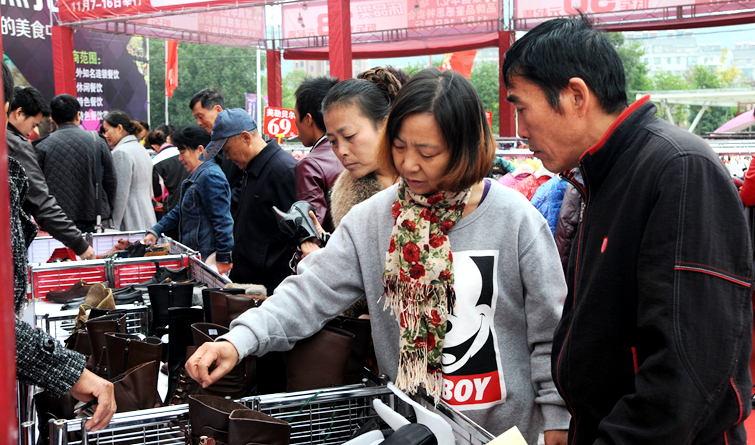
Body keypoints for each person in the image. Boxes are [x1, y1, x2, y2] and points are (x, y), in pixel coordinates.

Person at [185, 69, 570, 443]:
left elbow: (551, 333)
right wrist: (238, 340)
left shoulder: (515, 219)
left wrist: (557, 418)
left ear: (466, 146)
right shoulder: (372, 220)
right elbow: (309, 293)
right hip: (415, 431)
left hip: (506, 433)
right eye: (400, 147)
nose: (409, 164)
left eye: (427, 152)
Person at [502, 16, 752, 444]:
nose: (521, 132)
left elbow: (688, 368)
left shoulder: (678, 168)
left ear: (576, 96)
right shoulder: (601, 174)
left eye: (522, 108)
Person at [2, 62, 116, 432]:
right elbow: (108, 184)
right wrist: (85, 240)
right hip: (80, 227)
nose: (32, 132)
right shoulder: (94, 142)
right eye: (31, 125)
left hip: (61, 231)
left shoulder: (40, 146)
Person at [299, 67, 405, 263]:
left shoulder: (428, 182)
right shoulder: (344, 196)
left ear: (385, 125)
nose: (341, 151)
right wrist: (326, 249)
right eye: (332, 141)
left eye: (349, 136)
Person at [198, 108, 296, 293]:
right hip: (249, 285)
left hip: (270, 290)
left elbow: (297, 241)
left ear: (245, 138)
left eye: (227, 150)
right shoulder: (251, 169)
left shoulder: (284, 171)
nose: (228, 157)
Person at [7, 87, 96, 259]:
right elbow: (40, 202)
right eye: (33, 125)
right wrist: (79, 244)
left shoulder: (31, 144)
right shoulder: (15, 144)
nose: (30, 132)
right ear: (18, 113)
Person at [143, 126, 233, 275]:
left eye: (182, 152)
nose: (180, 158)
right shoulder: (198, 176)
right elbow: (180, 210)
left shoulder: (210, 176)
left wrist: (223, 257)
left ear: (200, 150)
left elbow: (223, 221)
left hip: (206, 259)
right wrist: (156, 230)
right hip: (197, 255)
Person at [36, 94, 117, 234]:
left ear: (52, 118)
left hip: (58, 223)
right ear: (78, 115)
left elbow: (38, 189)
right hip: (95, 220)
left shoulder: (41, 146)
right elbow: (111, 181)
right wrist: (108, 208)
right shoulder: (98, 141)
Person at [293, 76, 343, 233]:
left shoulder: (310, 165)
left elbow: (312, 231)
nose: (296, 125)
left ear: (308, 119)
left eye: (295, 118)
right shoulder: (353, 153)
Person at [190, 88, 243, 214]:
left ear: (218, 110)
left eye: (201, 116)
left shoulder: (238, 137)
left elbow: (245, 183)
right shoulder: (212, 142)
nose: (198, 123)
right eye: (196, 118)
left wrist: (220, 204)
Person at [103, 110, 157, 231]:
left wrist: (114, 226)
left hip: (130, 220)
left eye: (107, 130)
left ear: (119, 128)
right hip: (147, 217)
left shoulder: (121, 152)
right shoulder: (140, 149)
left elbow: (120, 195)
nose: (105, 135)